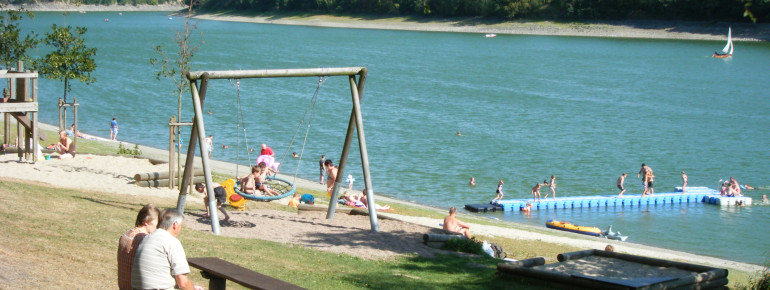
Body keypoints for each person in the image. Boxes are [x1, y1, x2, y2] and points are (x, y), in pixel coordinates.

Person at [131, 209, 203, 290]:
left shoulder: (147, 237)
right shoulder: (171, 242)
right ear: (175, 224)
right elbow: (183, 283)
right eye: (181, 225)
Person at [117, 204, 160, 290]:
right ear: (146, 223)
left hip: (123, 285)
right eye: (157, 224)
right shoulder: (144, 241)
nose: (158, 228)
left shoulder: (125, 235)